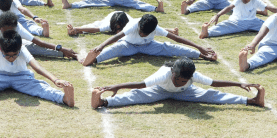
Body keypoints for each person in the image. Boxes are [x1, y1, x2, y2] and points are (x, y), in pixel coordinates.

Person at [92, 58, 264, 109]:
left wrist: (238, 84)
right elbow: (141, 85)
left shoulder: (192, 75)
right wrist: (118, 86)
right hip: (159, 90)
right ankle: (103, 102)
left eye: (184, 80)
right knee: (136, 96)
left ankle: (251, 101)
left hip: (186, 93)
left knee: (211, 96)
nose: (179, 81)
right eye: (178, 79)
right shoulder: (164, 74)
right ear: (173, 73)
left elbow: (213, 84)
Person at [82, 13, 217, 65]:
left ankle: (201, 56)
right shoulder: (133, 25)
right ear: (139, 26)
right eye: (141, 32)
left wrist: (200, 48)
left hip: (148, 46)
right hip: (128, 45)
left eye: (146, 33)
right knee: (115, 49)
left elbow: (176, 39)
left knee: (169, 48)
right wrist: (101, 46)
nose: (142, 35)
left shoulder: (156, 28)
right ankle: (93, 60)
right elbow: (117, 37)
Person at [200, 0, 269, 38]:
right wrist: (218, 15)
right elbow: (229, 7)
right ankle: (207, 32)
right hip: (237, 22)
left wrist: (276, 11)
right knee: (223, 26)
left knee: (268, 26)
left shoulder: (256, 0)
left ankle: (264, 14)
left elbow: (269, 7)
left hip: (253, 22)